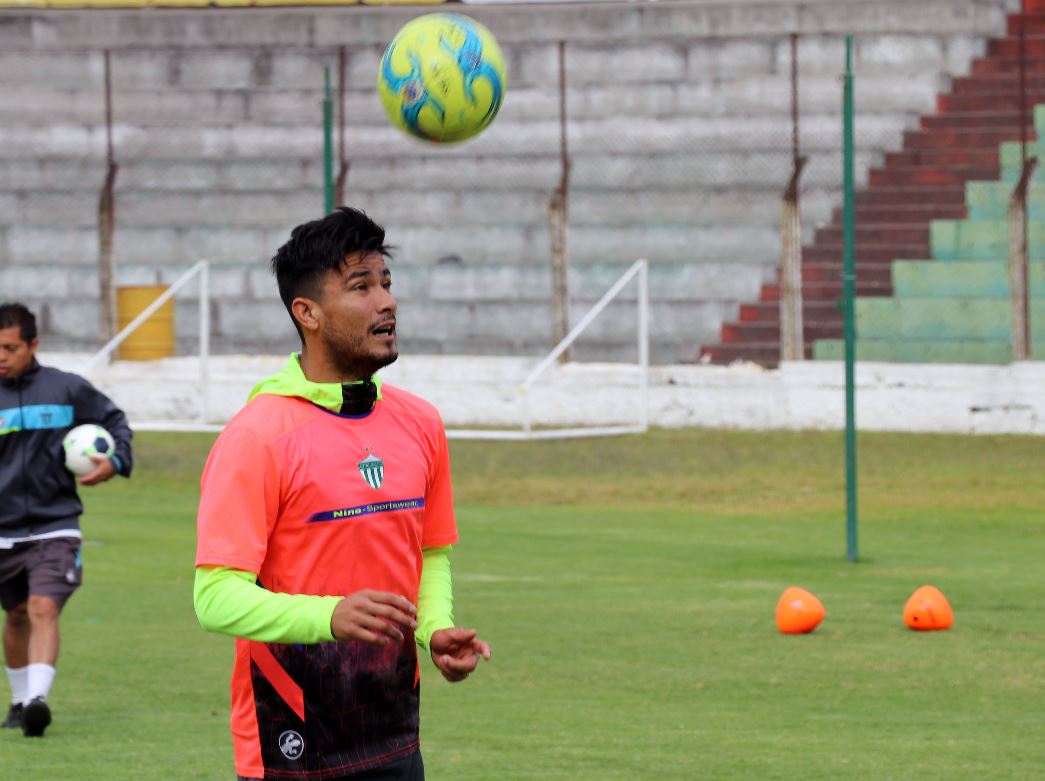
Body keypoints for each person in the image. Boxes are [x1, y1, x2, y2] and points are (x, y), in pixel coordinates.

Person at [194, 207, 491, 781]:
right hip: (290, 737)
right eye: (361, 286)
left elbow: (429, 554)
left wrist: (433, 630)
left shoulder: (421, 423)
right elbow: (215, 599)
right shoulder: (257, 437)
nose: (387, 302)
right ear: (306, 312)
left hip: (391, 730)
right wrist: (331, 616)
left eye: (386, 283)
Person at [0, 302, 133, 738]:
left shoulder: (66, 389)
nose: (1, 356)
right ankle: (19, 704)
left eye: (10, 347)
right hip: (3, 532)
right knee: (16, 615)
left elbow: (115, 422)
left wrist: (115, 462)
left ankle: (38, 701)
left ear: (33, 344)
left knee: (42, 606)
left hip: (55, 525)